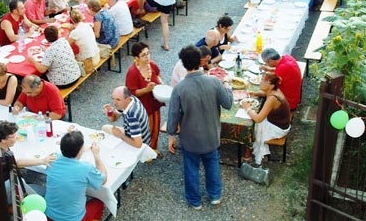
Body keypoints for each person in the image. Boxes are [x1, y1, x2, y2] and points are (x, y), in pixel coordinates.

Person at [167, 45, 233, 209]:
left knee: (191, 169)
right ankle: (215, 195)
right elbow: (228, 103)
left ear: (183, 63)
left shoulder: (179, 89)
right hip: (211, 134)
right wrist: (228, 86)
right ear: (200, 61)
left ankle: (195, 201)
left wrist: (171, 135)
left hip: (190, 138)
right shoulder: (214, 81)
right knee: (212, 164)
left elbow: (173, 115)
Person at [0, 121, 56, 203]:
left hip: (3, 185)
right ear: (3, 140)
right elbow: (18, 162)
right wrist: (42, 161)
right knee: (45, 193)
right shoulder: (2, 156)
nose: (16, 138)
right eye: (13, 136)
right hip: (7, 190)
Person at [45, 131, 106, 221]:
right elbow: (103, 180)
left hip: (48, 215)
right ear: (80, 151)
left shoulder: (52, 158)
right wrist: (96, 155)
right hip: (74, 219)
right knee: (99, 203)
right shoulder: (86, 168)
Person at [240, 72, 291, 166]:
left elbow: (258, 119)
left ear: (271, 86)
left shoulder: (272, 98)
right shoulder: (275, 90)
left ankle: (247, 154)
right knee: (253, 118)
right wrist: (255, 93)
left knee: (248, 126)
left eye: (263, 80)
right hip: (281, 123)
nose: (260, 82)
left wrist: (247, 108)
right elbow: (264, 93)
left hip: (278, 129)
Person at [125, 42, 164, 154]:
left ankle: (153, 150)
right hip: (143, 107)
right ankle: (145, 153)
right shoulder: (132, 72)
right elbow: (131, 93)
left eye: (148, 53)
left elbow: (158, 76)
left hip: (154, 102)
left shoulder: (152, 65)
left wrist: (161, 84)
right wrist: (146, 90)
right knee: (146, 130)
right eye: (144, 55)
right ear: (136, 57)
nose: (147, 57)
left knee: (156, 128)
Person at [66, 8, 100, 74]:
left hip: (88, 61)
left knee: (70, 57)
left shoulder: (75, 32)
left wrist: (69, 32)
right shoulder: (88, 25)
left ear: (72, 20)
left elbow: (65, 45)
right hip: (96, 55)